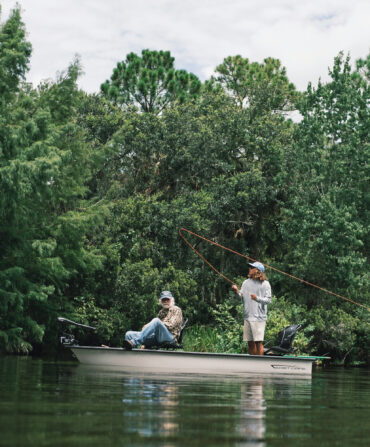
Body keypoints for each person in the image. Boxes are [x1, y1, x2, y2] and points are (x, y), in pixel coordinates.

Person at [232, 261, 272, 356]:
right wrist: (236, 291)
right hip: (247, 317)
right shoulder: (246, 282)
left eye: (252, 268)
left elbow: (268, 300)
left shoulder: (265, 284)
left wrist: (257, 298)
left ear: (258, 271)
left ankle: (260, 365)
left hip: (259, 318)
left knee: (258, 342)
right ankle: (253, 364)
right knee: (250, 343)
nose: (249, 269)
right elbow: (241, 297)